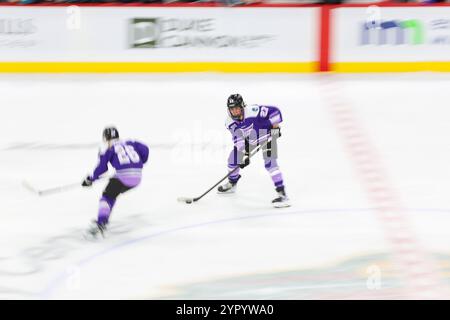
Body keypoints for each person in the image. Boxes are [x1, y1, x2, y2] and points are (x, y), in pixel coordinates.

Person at [218, 94, 290, 208]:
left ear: (242, 107)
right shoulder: (229, 122)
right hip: (250, 139)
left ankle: (283, 194)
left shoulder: (253, 111)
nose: (235, 111)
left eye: (237, 108)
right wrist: (244, 155)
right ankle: (232, 183)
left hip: (266, 135)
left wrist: (275, 128)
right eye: (232, 109)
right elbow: (238, 138)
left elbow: (275, 112)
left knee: (270, 163)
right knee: (233, 159)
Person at [82, 127, 149, 237]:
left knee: (106, 197)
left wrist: (90, 179)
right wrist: (140, 162)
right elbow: (145, 149)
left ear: (105, 138)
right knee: (112, 195)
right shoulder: (130, 142)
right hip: (137, 177)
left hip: (123, 177)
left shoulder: (107, 148)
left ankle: (101, 223)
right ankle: (103, 220)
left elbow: (102, 168)